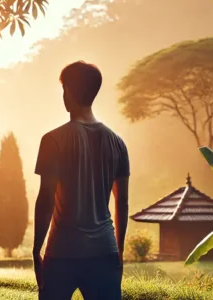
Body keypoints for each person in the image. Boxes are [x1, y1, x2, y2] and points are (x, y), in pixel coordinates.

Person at [33, 61, 130, 300]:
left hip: (62, 253)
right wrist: (119, 250)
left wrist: (36, 250)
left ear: (67, 91)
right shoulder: (118, 143)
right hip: (105, 253)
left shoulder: (53, 140)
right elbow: (122, 202)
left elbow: (45, 200)